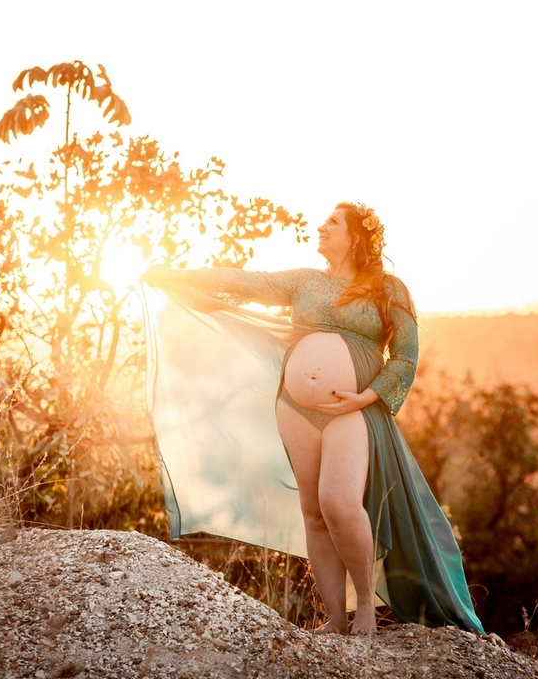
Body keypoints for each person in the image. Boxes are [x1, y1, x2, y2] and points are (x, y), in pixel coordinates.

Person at [142, 202, 482, 635]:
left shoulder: (388, 288)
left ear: (356, 236)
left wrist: (366, 397)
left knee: (339, 502)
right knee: (314, 512)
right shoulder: (304, 281)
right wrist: (175, 276)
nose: (321, 227)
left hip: (351, 408)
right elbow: (244, 282)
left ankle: (364, 610)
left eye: (332, 222)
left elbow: (406, 356)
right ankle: (335, 618)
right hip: (294, 408)